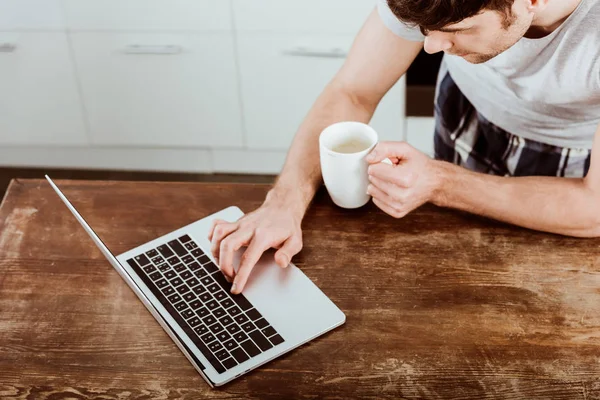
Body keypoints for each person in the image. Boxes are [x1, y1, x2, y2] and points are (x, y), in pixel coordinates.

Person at [209, 0, 600, 294]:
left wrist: (440, 183)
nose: (429, 47)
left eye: (456, 29)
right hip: (467, 111)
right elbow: (353, 90)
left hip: (571, 157)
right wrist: (284, 201)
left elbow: (593, 208)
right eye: (424, 28)